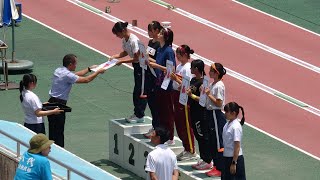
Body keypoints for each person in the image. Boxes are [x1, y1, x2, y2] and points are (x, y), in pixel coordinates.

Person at [47, 54, 105, 147]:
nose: (76, 65)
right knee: (58, 132)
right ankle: (59, 153)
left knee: (53, 131)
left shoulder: (59, 70)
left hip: (50, 103)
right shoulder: (67, 75)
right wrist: (97, 72)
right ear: (70, 64)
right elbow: (86, 80)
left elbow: (75, 75)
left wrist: (89, 69)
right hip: (59, 105)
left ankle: (51, 149)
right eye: (75, 64)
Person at [110, 21, 147, 123]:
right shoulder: (125, 40)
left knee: (140, 91)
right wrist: (116, 56)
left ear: (123, 31)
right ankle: (137, 113)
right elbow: (126, 52)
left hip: (142, 66)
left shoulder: (134, 40)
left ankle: (140, 115)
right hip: (136, 67)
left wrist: (121, 61)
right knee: (136, 91)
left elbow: (136, 58)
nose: (117, 36)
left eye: (117, 34)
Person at [149, 28, 176, 145]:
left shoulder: (169, 51)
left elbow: (171, 70)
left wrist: (156, 66)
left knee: (167, 112)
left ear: (165, 37)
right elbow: (157, 63)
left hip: (166, 85)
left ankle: (170, 137)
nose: (158, 34)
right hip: (159, 83)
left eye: (160, 33)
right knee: (160, 110)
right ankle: (162, 135)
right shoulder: (160, 49)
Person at [170, 45, 197, 161]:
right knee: (179, 124)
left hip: (184, 98)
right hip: (176, 95)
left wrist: (175, 79)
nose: (177, 56)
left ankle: (191, 150)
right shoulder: (180, 66)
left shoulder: (187, 68)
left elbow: (187, 85)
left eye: (179, 54)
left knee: (186, 124)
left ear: (185, 55)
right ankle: (186, 148)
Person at [186, 60, 212, 170]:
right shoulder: (193, 79)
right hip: (193, 111)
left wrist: (191, 95)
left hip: (201, 113)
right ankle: (203, 158)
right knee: (198, 135)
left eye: (192, 67)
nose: (190, 69)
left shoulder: (203, 82)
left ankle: (208, 160)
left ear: (196, 69)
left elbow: (203, 100)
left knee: (202, 136)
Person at [204, 62, 227, 177]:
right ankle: (216, 166)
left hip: (216, 115)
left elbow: (219, 102)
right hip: (211, 114)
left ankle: (220, 168)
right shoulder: (214, 84)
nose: (209, 72)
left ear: (217, 73)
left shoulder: (219, 86)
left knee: (218, 143)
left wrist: (208, 94)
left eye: (212, 71)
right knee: (213, 141)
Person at [144, 21, 163, 138]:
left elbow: (159, 62)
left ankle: (158, 128)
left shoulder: (160, 45)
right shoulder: (151, 42)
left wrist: (149, 59)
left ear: (156, 31)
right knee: (150, 103)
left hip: (156, 77)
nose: (148, 33)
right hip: (149, 75)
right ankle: (154, 125)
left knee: (156, 105)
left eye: (150, 30)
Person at [222, 102, 246, 180]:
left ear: (233, 113)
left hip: (234, 159)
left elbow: (237, 146)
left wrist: (234, 163)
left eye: (226, 112)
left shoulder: (236, 127)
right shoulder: (227, 124)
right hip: (226, 158)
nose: (225, 113)